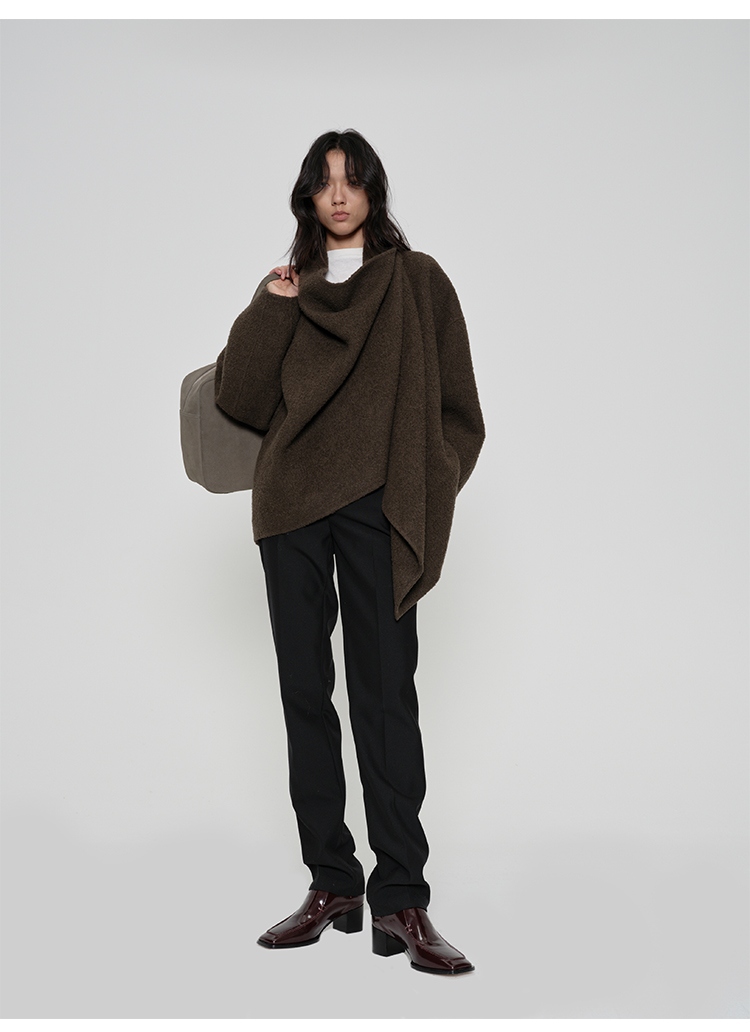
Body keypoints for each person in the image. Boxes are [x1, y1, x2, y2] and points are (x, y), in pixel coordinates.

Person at [214, 129, 485, 975]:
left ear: (373, 192)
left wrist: (427, 483)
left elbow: (459, 410)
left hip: (380, 507)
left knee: (385, 699)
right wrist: (271, 304)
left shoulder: (416, 281)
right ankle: (332, 883)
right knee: (306, 695)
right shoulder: (289, 289)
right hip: (291, 506)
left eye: (352, 180)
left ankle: (401, 899)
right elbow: (240, 398)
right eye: (324, 182)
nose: (338, 195)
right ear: (308, 196)